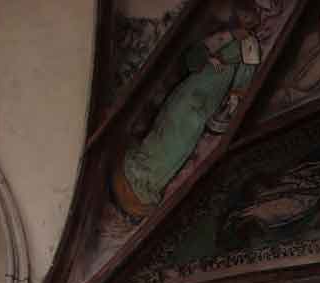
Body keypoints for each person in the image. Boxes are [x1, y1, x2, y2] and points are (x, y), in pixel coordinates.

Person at [115, 0, 270, 219]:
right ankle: (139, 169)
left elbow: (244, 77)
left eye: (250, 18)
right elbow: (192, 60)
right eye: (243, 16)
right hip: (191, 87)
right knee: (166, 122)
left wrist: (233, 100)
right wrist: (213, 53)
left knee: (181, 140)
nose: (245, 21)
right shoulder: (225, 36)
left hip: (208, 95)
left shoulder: (250, 45)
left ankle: (149, 183)